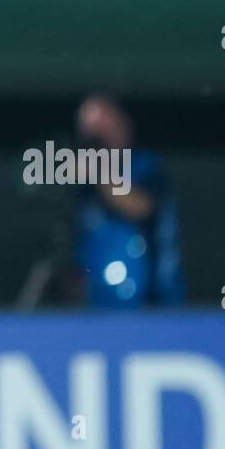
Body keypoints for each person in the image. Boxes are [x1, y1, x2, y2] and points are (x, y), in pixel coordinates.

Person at [72, 95, 185, 307]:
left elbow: (140, 207)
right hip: (96, 307)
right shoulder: (81, 185)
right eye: (90, 131)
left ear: (124, 126)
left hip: (149, 302)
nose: (98, 138)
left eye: (104, 128)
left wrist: (98, 172)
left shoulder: (145, 166)